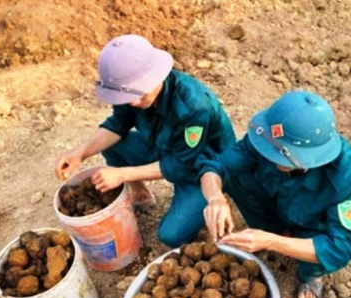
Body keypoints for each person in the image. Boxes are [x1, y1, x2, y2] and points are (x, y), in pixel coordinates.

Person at [54, 34, 236, 248]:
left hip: (202, 167)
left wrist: (123, 174)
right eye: (126, 96)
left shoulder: (193, 105)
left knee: (170, 235)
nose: (132, 102)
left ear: (155, 76)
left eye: (138, 94)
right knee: (115, 146)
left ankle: (215, 195)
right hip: (165, 147)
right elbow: (117, 125)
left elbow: (180, 165)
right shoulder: (128, 92)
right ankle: (142, 195)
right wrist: (81, 152)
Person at [198, 90, 351, 298]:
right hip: (275, 201)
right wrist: (215, 198)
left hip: (312, 224)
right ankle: (274, 230)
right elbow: (216, 166)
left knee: (316, 260)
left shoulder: (347, 178)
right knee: (233, 177)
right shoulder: (268, 138)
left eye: (280, 155)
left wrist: (271, 241)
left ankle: (310, 276)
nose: (270, 155)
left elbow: (340, 247)